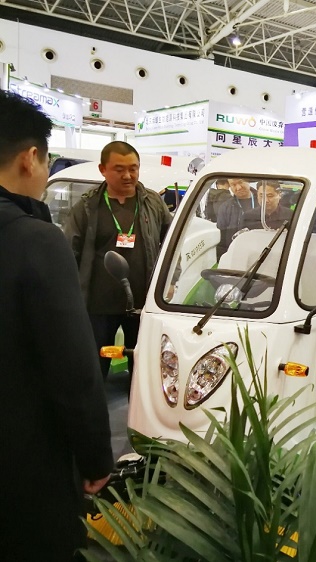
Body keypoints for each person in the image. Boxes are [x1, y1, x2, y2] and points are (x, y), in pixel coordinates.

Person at [0, 91, 113, 561]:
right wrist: (95, 457)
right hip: (23, 464)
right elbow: (73, 370)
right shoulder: (36, 240)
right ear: (30, 158)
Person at [64, 141, 172, 379]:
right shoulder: (87, 207)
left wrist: (171, 281)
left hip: (143, 304)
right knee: (92, 369)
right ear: (103, 169)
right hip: (98, 307)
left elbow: (172, 244)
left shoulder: (153, 203)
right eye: (119, 169)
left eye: (133, 168)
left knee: (143, 371)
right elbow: (70, 253)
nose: (128, 175)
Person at [216, 177, 256, 257]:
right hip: (235, 255)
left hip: (260, 253)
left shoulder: (264, 202)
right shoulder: (225, 208)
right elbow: (221, 239)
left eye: (240, 182)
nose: (238, 188)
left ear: (248, 180)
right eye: (233, 185)